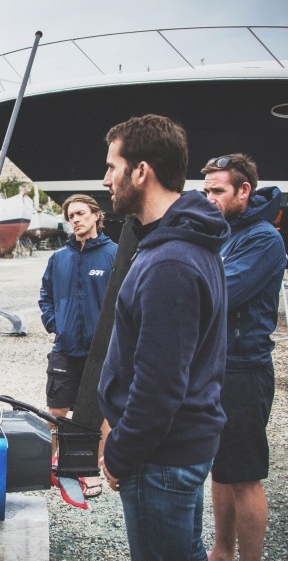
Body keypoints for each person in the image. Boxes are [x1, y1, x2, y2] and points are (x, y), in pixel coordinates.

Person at [97, 114, 230, 560]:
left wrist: (120, 452)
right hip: (178, 448)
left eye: (112, 167)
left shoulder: (170, 261)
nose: (105, 179)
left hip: (160, 457)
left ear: (141, 171)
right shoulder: (180, 243)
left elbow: (160, 385)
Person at [202, 154, 286, 561]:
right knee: (221, 468)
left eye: (218, 191)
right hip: (217, 367)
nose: (210, 198)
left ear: (244, 190)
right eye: (206, 191)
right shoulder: (226, 232)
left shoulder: (263, 239)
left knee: (245, 477)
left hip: (245, 371)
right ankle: (222, 551)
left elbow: (221, 293)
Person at [39, 193, 117, 498]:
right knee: (56, 409)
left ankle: (95, 469)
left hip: (102, 352)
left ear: (96, 216)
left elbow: (126, 300)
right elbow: (45, 295)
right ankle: (46, 464)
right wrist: (55, 322)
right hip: (65, 347)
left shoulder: (114, 255)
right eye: (71, 215)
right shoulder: (59, 258)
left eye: (81, 214)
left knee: (99, 413)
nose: (76, 220)